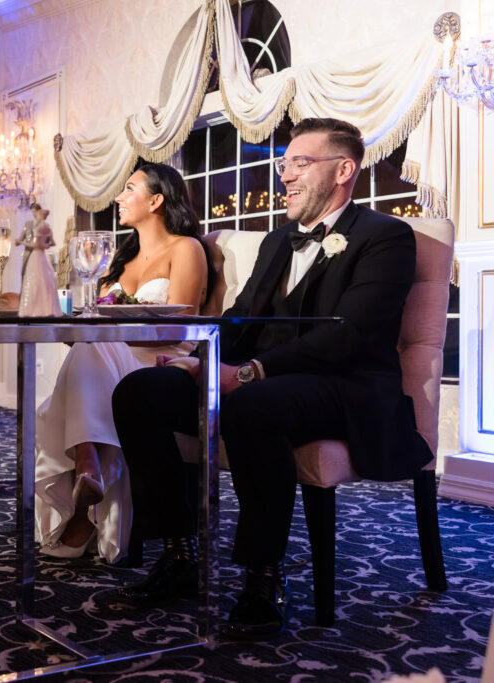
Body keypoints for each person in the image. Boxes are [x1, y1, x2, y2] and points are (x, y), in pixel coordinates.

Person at [111, 118, 432, 639]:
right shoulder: (279, 240)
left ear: (344, 169)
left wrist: (250, 371)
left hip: (345, 388)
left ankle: (263, 577)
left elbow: (348, 334)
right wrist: (202, 359)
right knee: (140, 392)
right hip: (267, 381)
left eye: (300, 163)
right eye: (285, 164)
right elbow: (241, 319)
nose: (285, 175)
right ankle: (178, 552)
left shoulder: (385, 236)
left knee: (250, 406)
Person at [35, 163, 208, 563]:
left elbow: (178, 329)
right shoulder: (119, 258)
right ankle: (88, 472)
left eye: (129, 188)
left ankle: (84, 489)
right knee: (89, 347)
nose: (118, 197)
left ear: (156, 199)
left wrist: (107, 328)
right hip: (106, 357)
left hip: (158, 363)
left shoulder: (186, 248)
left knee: (91, 348)